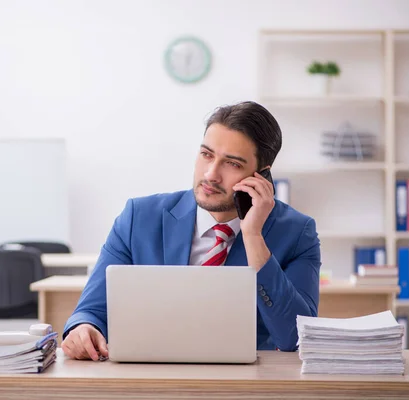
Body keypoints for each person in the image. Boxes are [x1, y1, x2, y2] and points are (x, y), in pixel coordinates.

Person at [62, 101, 321, 361]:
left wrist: (253, 236)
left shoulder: (298, 233)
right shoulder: (139, 217)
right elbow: (91, 311)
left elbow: (296, 338)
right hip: (149, 377)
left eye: (231, 163)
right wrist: (84, 328)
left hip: (244, 384)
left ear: (261, 177)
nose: (211, 174)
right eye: (207, 154)